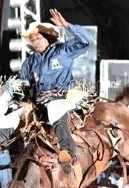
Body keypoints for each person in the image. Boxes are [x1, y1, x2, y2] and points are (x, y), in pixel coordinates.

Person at [19, 9, 91, 164]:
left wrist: (66, 25)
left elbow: (86, 41)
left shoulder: (62, 51)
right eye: (33, 40)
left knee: (55, 110)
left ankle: (68, 151)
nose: (36, 42)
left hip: (61, 97)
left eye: (38, 38)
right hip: (39, 103)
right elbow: (23, 82)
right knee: (12, 115)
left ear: (48, 38)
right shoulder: (31, 61)